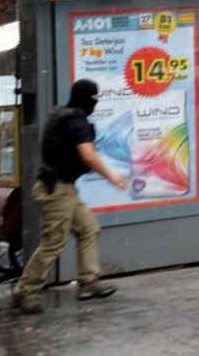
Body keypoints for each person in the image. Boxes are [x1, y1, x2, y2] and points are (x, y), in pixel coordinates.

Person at [12, 79, 128, 314]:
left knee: (88, 228)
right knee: (53, 243)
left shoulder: (62, 114)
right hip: (57, 190)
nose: (95, 104)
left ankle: (88, 282)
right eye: (94, 99)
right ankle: (26, 291)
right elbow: (88, 155)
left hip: (63, 188)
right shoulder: (76, 122)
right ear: (86, 98)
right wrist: (112, 176)